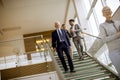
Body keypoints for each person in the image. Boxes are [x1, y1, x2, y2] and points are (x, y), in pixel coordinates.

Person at [88, 6, 120, 78]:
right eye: (105, 11)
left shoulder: (118, 22)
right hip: (114, 52)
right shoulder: (102, 26)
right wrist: (117, 35)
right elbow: (104, 39)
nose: (107, 11)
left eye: (108, 9)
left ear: (111, 11)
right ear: (103, 14)